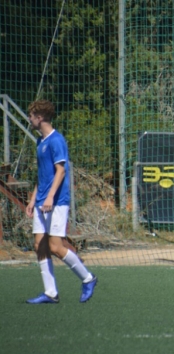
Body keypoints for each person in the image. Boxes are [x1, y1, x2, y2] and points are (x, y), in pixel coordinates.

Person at [25, 100, 97, 304]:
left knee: (55, 247)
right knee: (39, 245)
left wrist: (49, 197)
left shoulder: (56, 140)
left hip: (56, 202)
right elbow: (42, 176)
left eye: (31, 116)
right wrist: (33, 200)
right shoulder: (40, 141)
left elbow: (61, 171)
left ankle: (88, 278)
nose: (29, 119)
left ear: (40, 118)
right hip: (41, 202)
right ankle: (50, 292)